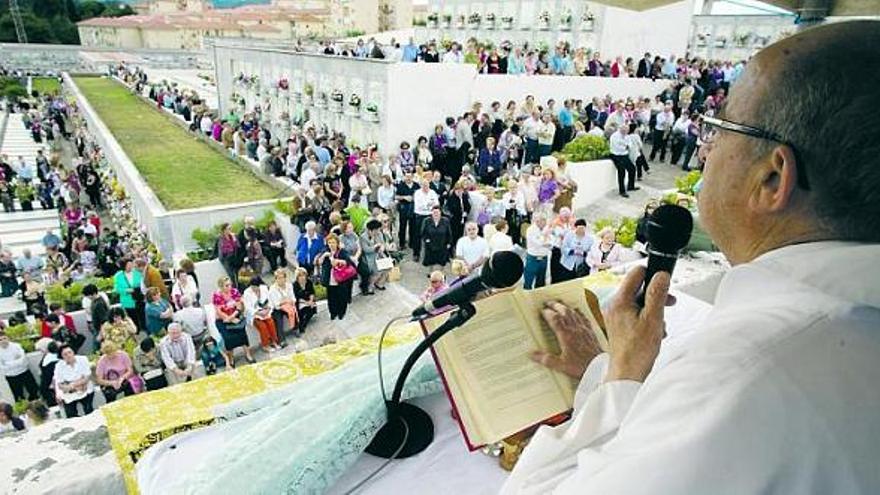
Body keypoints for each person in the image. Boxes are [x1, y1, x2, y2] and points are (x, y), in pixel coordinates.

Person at [504, 22, 880, 494]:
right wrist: (611, 370)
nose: (704, 148)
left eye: (721, 128)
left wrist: (620, 376)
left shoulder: (740, 376)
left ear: (773, 178)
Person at [212, 276, 254, 365]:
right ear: (221, 286)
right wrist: (229, 319)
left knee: (242, 334)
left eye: (230, 285)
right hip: (222, 320)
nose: (229, 287)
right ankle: (231, 358)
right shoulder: (217, 295)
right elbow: (218, 311)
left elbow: (239, 306)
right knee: (228, 338)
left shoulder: (234, 292)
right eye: (226, 285)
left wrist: (232, 317)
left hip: (234, 316)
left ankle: (248, 354)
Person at [319, 234, 356, 320]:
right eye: (329, 242)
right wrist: (324, 256)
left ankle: (341, 313)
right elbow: (319, 262)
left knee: (342, 297)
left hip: (341, 279)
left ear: (337, 243)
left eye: (333, 242)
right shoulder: (325, 251)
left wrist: (339, 261)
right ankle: (333, 313)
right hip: (330, 279)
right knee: (331, 298)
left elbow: (349, 262)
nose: (331, 245)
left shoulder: (342, 252)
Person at [53, 344, 95, 418]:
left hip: (84, 388)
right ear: (62, 357)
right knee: (70, 414)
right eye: (65, 354)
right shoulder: (59, 366)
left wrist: (72, 384)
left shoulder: (83, 359)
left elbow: (86, 377)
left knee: (89, 410)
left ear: (73, 352)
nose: (68, 355)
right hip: (70, 391)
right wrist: (73, 387)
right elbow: (59, 383)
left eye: (70, 352)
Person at [243, 277, 281, 353]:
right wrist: (258, 313)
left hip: (265, 311)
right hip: (255, 314)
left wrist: (267, 309)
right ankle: (265, 345)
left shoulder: (264, 288)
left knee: (271, 323)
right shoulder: (247, 292)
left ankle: (274, 342)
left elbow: (270, 300)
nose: (254, 289)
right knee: (263, 327)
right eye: (252, 287)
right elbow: (248, 308)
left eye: (255, 287)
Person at [0, 330, 39, 402]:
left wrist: (8, 363)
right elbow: (2, 367)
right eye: (0, 340)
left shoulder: (16, 346)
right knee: (18, 396)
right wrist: (16, 361)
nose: (3, 341)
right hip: (11, 376)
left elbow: (23, 360)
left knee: (33, 390)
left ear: (8, 338)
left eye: (4, 338)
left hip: (24, 371)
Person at [114, 257, 144, 331]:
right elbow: (117, 289)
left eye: (131, 264)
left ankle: (144, 328)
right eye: (128, 265)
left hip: (138, 298)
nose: (130, 266)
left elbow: (143, 283)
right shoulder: (118, 276)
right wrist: (127, 290)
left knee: (142, 315)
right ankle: (136, 330)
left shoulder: (137, 273)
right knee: (133, 317)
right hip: (127, 300)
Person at [609, 125, 639, 198]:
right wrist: (625, 145)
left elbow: (630, 146)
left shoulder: (627, 136)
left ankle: (630, 186)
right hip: (615, 155)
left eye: (627, 131)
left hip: (624, 154)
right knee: (621, 171)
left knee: (632, 168)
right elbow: (617, 147)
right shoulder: (614, 136)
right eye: (624, 131)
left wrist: (624, 145)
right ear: (620, 129)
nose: (625, 132)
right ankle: (622, 191)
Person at [268, 268, 297, 343]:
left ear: (285, 278)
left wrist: (289, 301)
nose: (281, 280)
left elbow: (293, 298)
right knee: (278, 320)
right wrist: (286, 301)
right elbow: (276, 304)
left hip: (287, 305)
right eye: (278, 278)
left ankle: (295, 329)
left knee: (293, 310)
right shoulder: (272, 289)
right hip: (276, 308)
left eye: (282, 277)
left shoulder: (289, 285)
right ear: (276, 279)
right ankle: (281, 340)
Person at [523, 214, 552, 290]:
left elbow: (551, 242)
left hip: (544, 258)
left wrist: (546, 241)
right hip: (533, 258)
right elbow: (538, 243)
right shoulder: (531, 230)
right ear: (537, 221)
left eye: (546, 221)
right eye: (543, 221)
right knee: (528, 280)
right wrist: (545, 237)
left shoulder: (547, 228)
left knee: (541, 281)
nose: (545, 223)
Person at [292, 267, 317, 334]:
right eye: (300, 275)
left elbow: (312, 292)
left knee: (311, 310)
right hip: (300, 302)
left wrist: (311, 301)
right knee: (301, 313)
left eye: (304, 275)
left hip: (309, 300)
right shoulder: (295, 285)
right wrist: (306, 302)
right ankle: (301, 325)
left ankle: (304, 324)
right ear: (297, 277)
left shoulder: (309, 282)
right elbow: (296, 297)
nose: (302, 277)